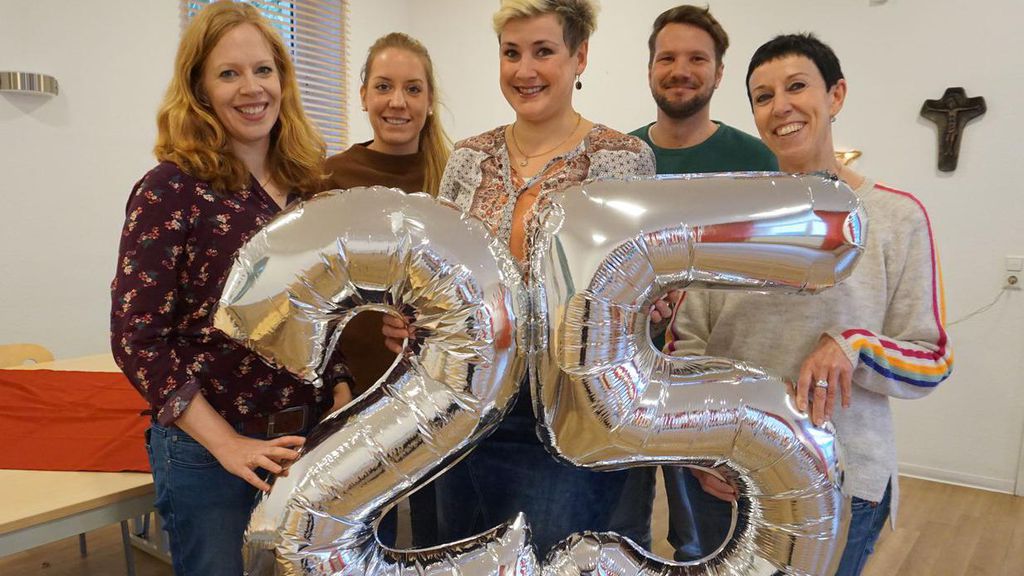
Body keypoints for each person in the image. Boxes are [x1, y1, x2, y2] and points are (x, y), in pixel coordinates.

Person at [670, 33, 953, 575]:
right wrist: (702, 448)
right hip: (730, 479)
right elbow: (689, 348)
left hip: (843, 477)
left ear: (836, 95)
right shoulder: (726, 217)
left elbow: (931, 359)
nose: (781, 106)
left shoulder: (897, 217)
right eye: (763, 96)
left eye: (797, 87)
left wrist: (855, 347)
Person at [385, 0, 655, 555]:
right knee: (459, 558)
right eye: (511, 53)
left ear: (580, 57)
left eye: (543, 51)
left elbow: (633, 297)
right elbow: (444, 275)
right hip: (466, 409)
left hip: (566, 418)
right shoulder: (468, 158)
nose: (524, 70)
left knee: (546, 558)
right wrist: (414, 317)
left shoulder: (621, 159)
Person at [109, 3, 350, 574]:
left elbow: (325, 309)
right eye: (228, 73)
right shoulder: (169, 189)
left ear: (283, 80)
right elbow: (137, 338)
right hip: (209, 453)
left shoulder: (308, 188)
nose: (251, 88)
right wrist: (225, 443)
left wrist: (341, 389)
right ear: (199, 89)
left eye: (263, 70)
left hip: (308, 439)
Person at [617, 4, 778, 560]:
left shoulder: (755, 162)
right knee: (620, 528)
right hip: (623, 377)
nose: (680, 70)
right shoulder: (620, 158)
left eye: (697, 59)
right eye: (667, 58)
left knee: (702, 541)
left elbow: (764, 281)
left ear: (719, 72)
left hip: (709, 379)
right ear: (649, 68)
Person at [323, 31, 452, 548]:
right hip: (355, 386)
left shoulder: (456, 176)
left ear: (429, 99)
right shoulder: (330, 178)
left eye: (412, 89)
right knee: (362, 532)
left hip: (438, 389)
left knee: (435, 532)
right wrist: (334, 381)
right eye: (383, 86)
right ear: (363, 96)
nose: (397, 102)